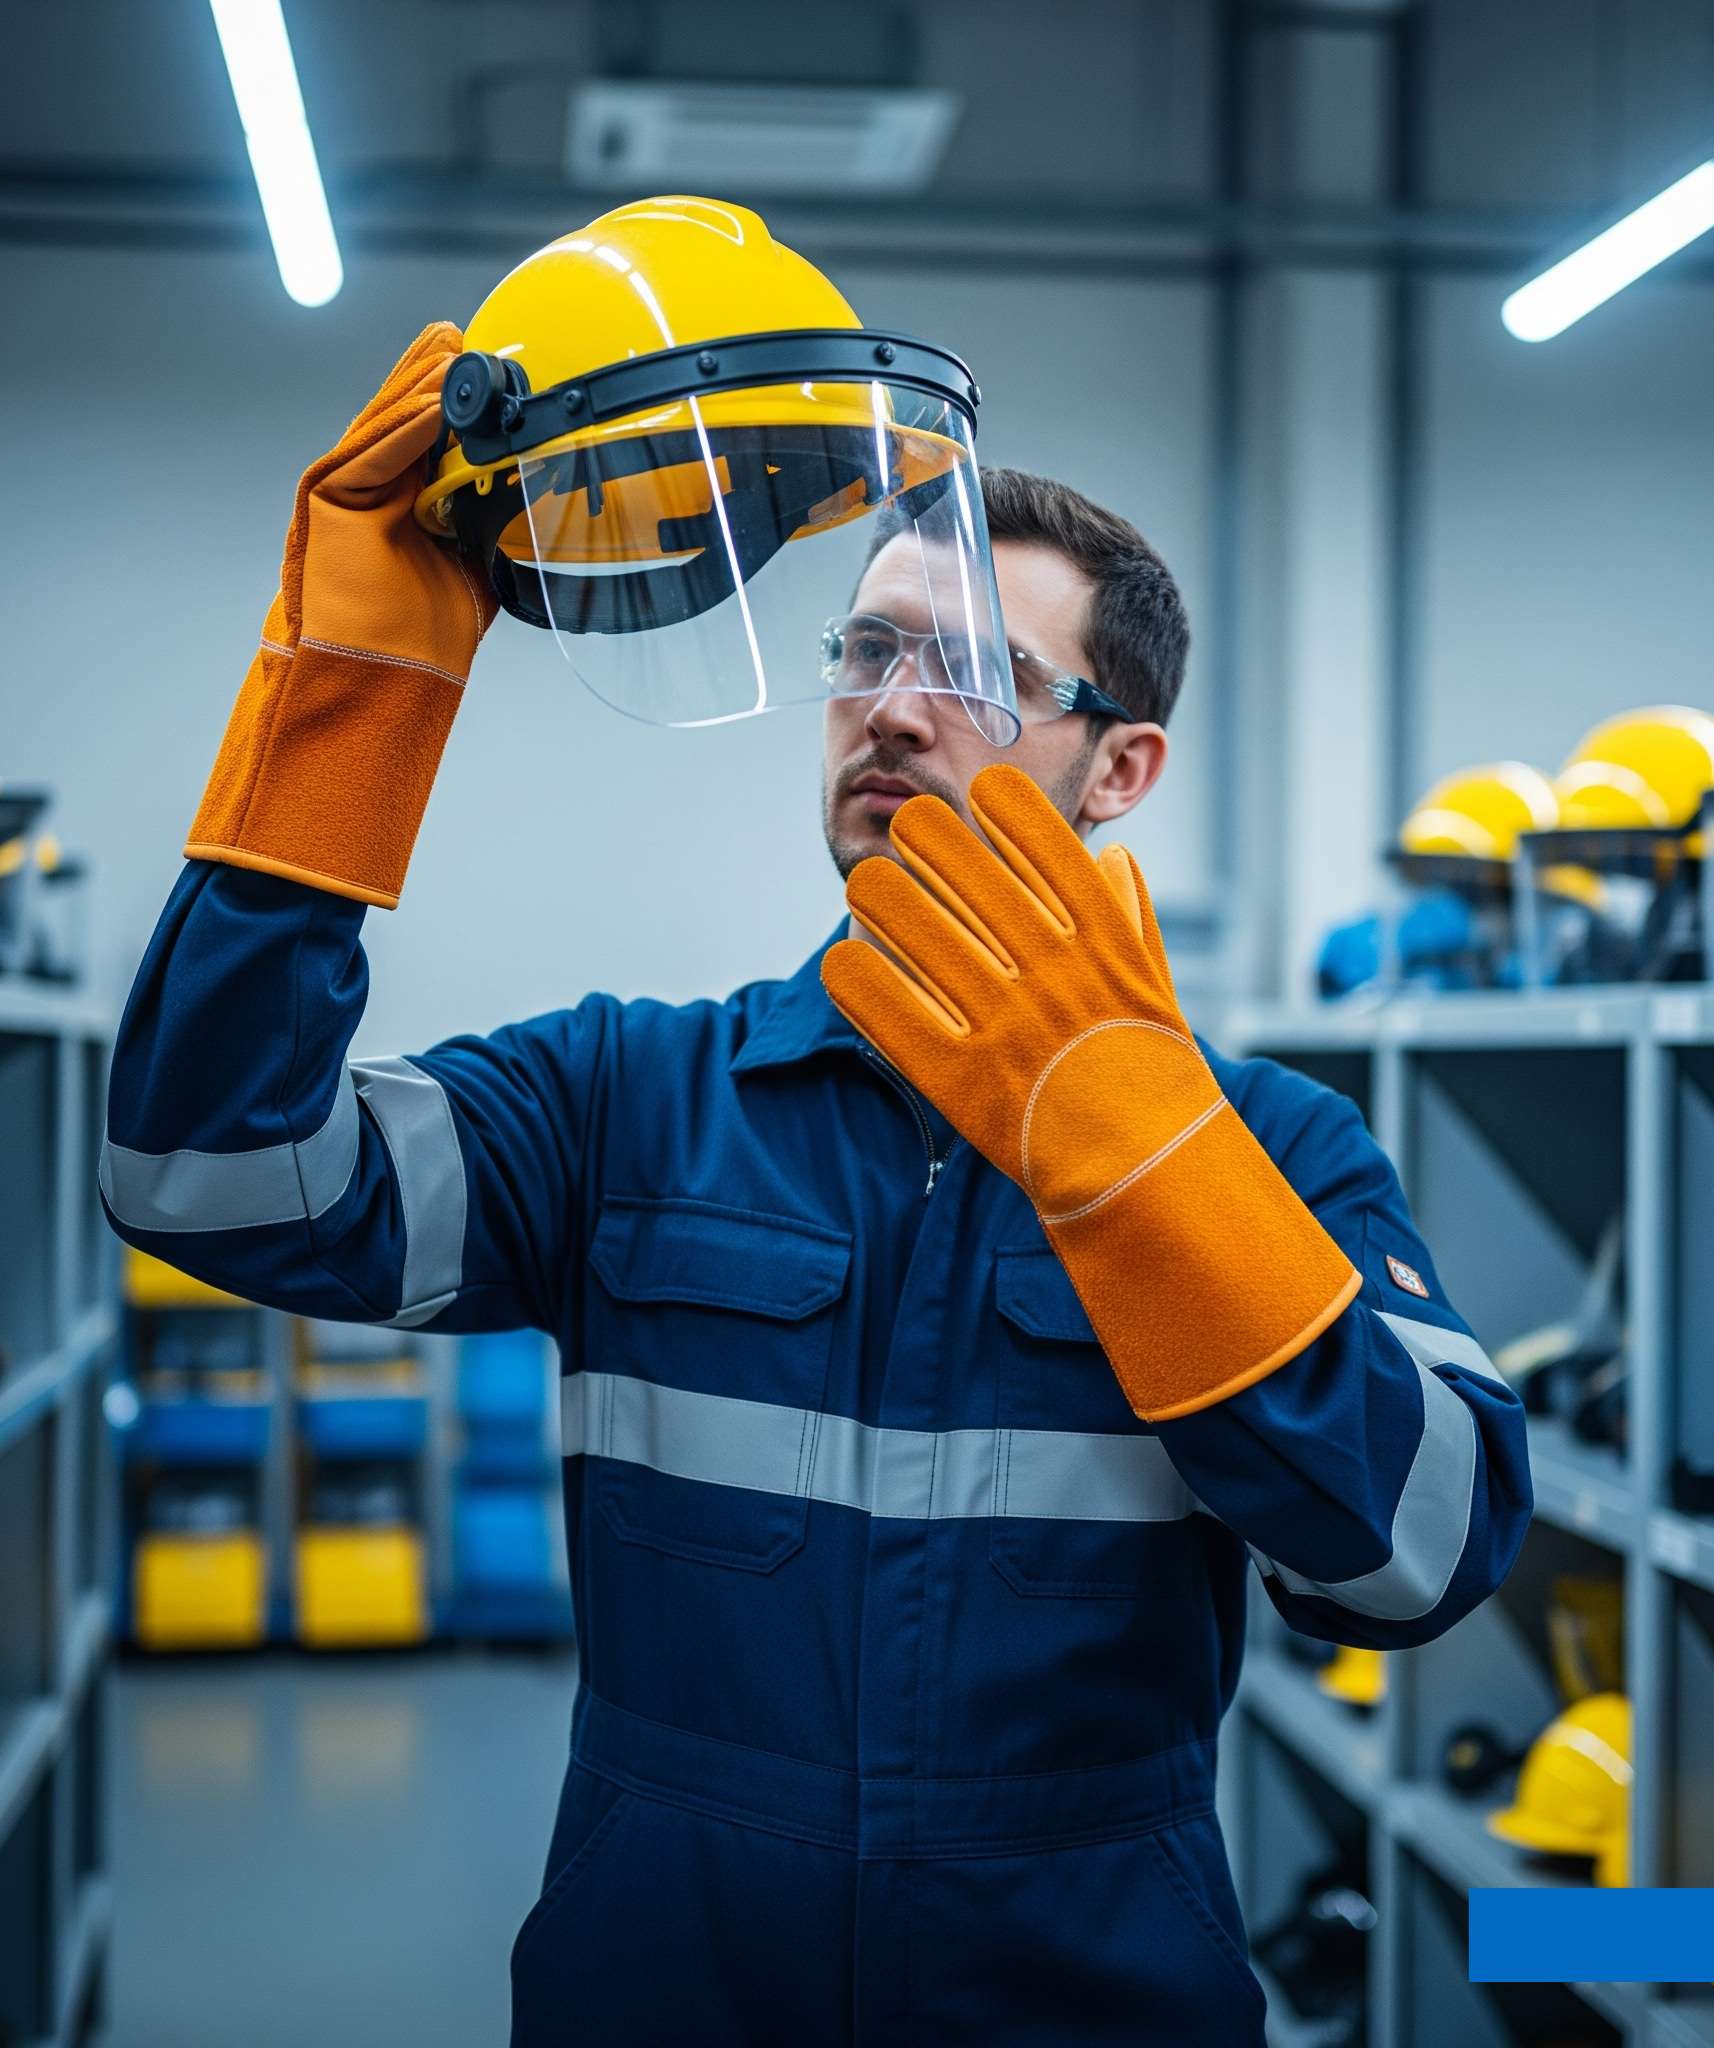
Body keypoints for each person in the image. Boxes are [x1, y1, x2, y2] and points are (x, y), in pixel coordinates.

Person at [101, 315, 1530, 2045]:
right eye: (866, 651)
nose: (894, 709)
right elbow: (204, 1177)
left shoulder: (1278, 1153)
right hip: (662, 1993)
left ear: (1122, 768)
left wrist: (1142, 1158)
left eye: (979, 671)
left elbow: (1419, 1561)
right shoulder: (627, 1098)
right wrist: (355, 697)